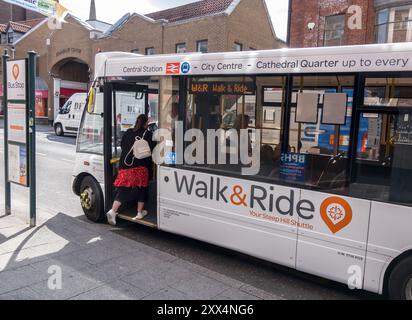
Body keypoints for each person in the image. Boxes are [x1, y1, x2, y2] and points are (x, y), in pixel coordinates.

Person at [106, 114, 155, 226]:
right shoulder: (148, 134)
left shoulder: (128, 132)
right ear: (146, 123)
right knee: (143, 187)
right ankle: (139, 213)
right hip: (140, 167)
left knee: (123, 190)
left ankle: (113, 211)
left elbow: (123, 146)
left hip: (125, 166)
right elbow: (151, 150)